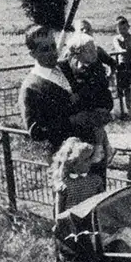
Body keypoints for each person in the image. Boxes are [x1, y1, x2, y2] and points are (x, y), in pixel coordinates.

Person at [18, 25, 99, 162]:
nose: (52, 52)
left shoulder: (65, 68)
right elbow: (36, 131)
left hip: (90, 149)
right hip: (63, 158)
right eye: (45, 49)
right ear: (33, 54)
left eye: (53, 46)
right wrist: (71, 121)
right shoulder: (31, 87)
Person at [61, 32, 115, 174]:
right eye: (89, 50)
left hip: (97, 106)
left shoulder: (96, 66)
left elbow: (100, 87)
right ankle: (103, 148)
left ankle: (101, 149)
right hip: (79, 114)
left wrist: (81, 95)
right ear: (77, 52)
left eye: (94, 49)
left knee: (97, 123)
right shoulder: (65, 66)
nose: (94, 52)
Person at [52, 136, 105, 214]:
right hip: (72, 220)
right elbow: (59, 214)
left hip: (91, 219)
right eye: (86, 160)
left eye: (90, 158)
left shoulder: (96, 181)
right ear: (73, 163)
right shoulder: (64, 186)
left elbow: (103, 204)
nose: (89, 162)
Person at [111, 16, 131, 118]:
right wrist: (121, 50)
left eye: (124, 28)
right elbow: (117, 47)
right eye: (119, 29)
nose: (122, 31)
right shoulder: (117, 39)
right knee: (125, 88)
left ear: (128, 27)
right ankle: (128, 109)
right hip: (123, 65)